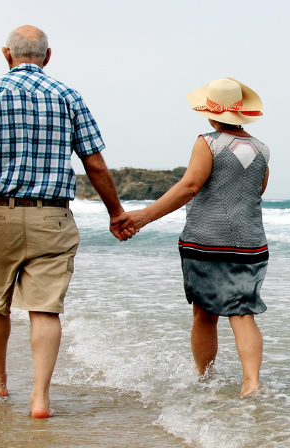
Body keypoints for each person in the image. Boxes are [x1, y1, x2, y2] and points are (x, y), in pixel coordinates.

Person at [0, 25, 130, 418]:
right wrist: (115, 212)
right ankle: (40, 397)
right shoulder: (68, 96)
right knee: (45, 309)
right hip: (52, 216)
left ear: (7, 54)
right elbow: (94, 162)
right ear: (47, 56)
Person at [113, 77, 269, 398]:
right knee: (242, 313)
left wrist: (143, 216)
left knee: (204, 313)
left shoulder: (208, 142)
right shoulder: (262, 149)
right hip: (252, 244)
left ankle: (205, 379)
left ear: (210, 114)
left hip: (207, 242)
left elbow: (189, 187)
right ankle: (251, 382)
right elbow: (255, 192)